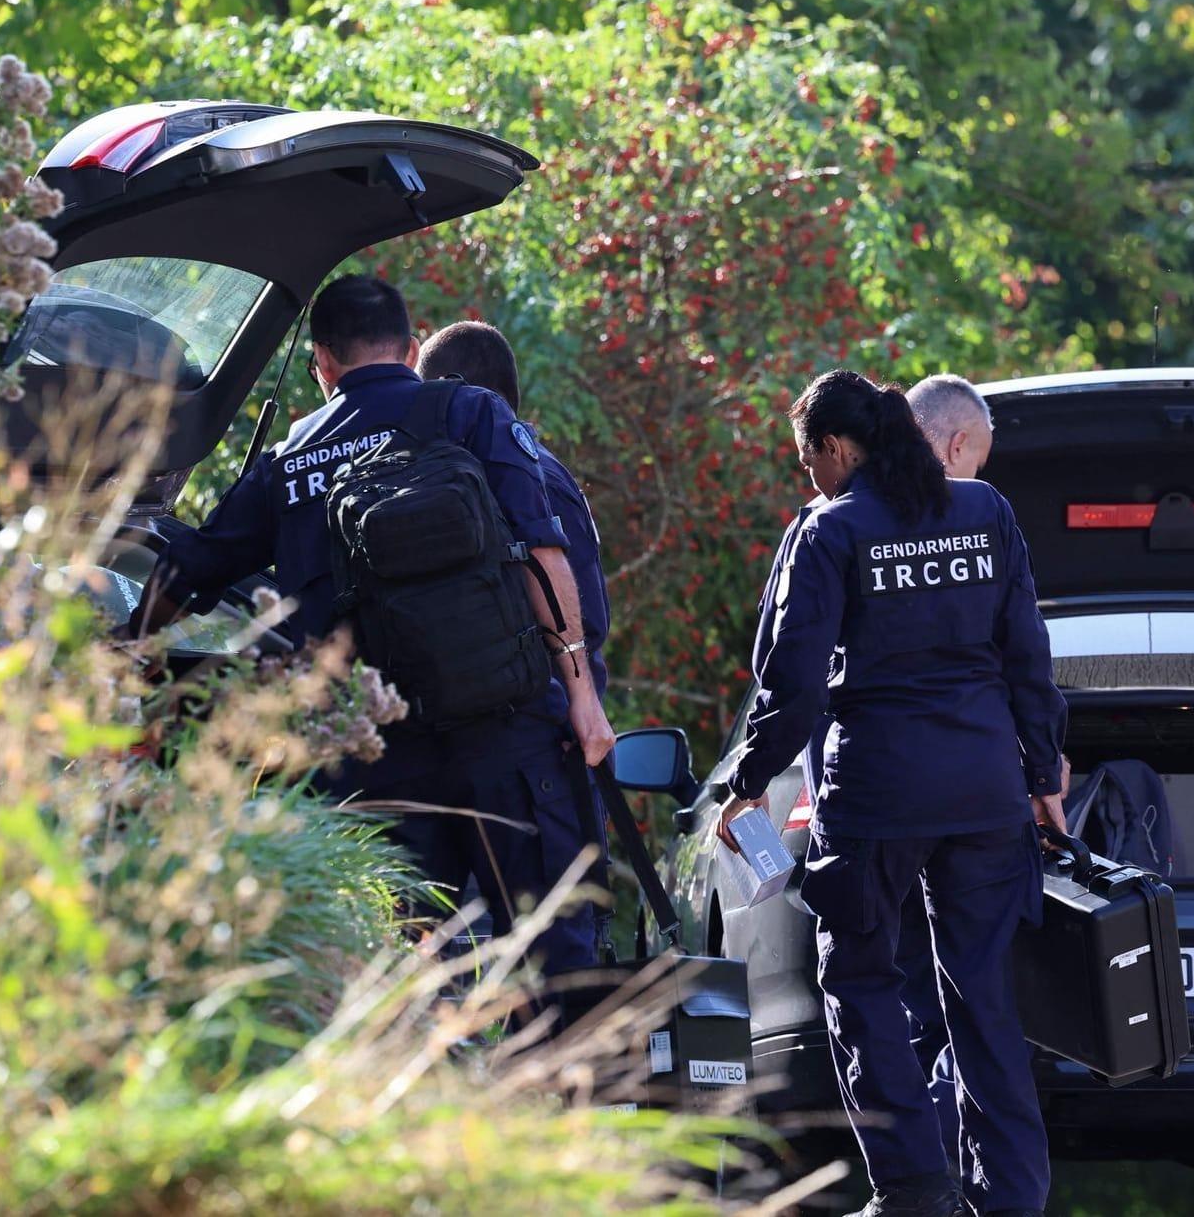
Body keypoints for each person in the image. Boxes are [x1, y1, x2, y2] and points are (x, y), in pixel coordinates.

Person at [125, 275, 614, 974]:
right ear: (412, 349)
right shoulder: (471, 413)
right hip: (507, 735)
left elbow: (187, 569)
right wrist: (582, 698)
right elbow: (543, 552)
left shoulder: (288, 461)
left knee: (392, 974)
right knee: (556, 962)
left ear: (322, 362)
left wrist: (127, 647)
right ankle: (567, 1083)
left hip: (373, 758)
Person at [719, 370, 1067, 1217]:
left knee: (863, 980)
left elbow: (792, 684)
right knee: (983, 996)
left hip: (876, 797)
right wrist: (1044, 776)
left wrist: (747, 784)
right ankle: (1011, 1197)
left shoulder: (830, 533)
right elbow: (1028, 658)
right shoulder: (985, 512)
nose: (810, 478)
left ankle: (915, 1188)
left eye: (809, 461)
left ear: (837, 448)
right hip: (986, 791)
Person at [417, 318, 614, 957]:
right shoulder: (536, 474)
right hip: (539, 745)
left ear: (455, 390)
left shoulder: (429, 479)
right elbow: (591, 616)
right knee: (554, 947)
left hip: (450, 744)